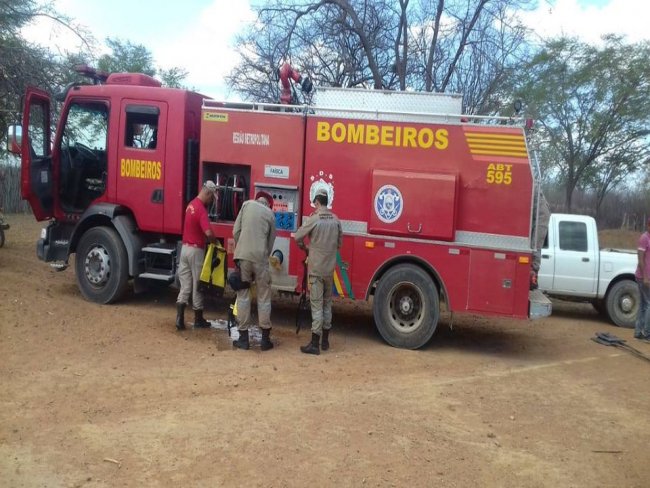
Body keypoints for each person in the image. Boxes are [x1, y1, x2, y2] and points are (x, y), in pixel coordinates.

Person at [294, 189, 342, 355]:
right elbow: (339, 243)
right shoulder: (336, 220)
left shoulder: (314, 218)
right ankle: (325, 341)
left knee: (316, 305)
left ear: (317, 202)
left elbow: (297, 236)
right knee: (327, 304)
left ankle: (314, 343)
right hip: (329, 270)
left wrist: (305, 248)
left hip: (316, 270)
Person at [231, 191, 276, 351]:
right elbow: (270, 243)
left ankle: (243, 339)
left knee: (243, 296)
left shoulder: (246, 205)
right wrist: (263, 255)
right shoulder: (270, 214)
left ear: (257, 199)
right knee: (264, 296)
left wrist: (242, 248)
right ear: (268, 203)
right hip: (261, 259)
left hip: (243, 257)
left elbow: (235, 231)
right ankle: (265, 340)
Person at [176, 181, 217, 330]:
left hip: (185, 249)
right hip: (196, 251)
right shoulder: (201, 210)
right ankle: (198, 319)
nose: (211, 201)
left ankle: (179, 319)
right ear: (207, 193)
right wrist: (215, 242)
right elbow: (208, 232)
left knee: (185, 285)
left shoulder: (190, 205)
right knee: (198, 285)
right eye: (211, 197)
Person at [634, 217, 650, 341]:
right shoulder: (644, 238)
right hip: (644, 277)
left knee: (643, 305)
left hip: (646, 277)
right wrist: (645, 277)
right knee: (648, 304)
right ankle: (646, 333)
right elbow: (640, 259)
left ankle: (638, 332)